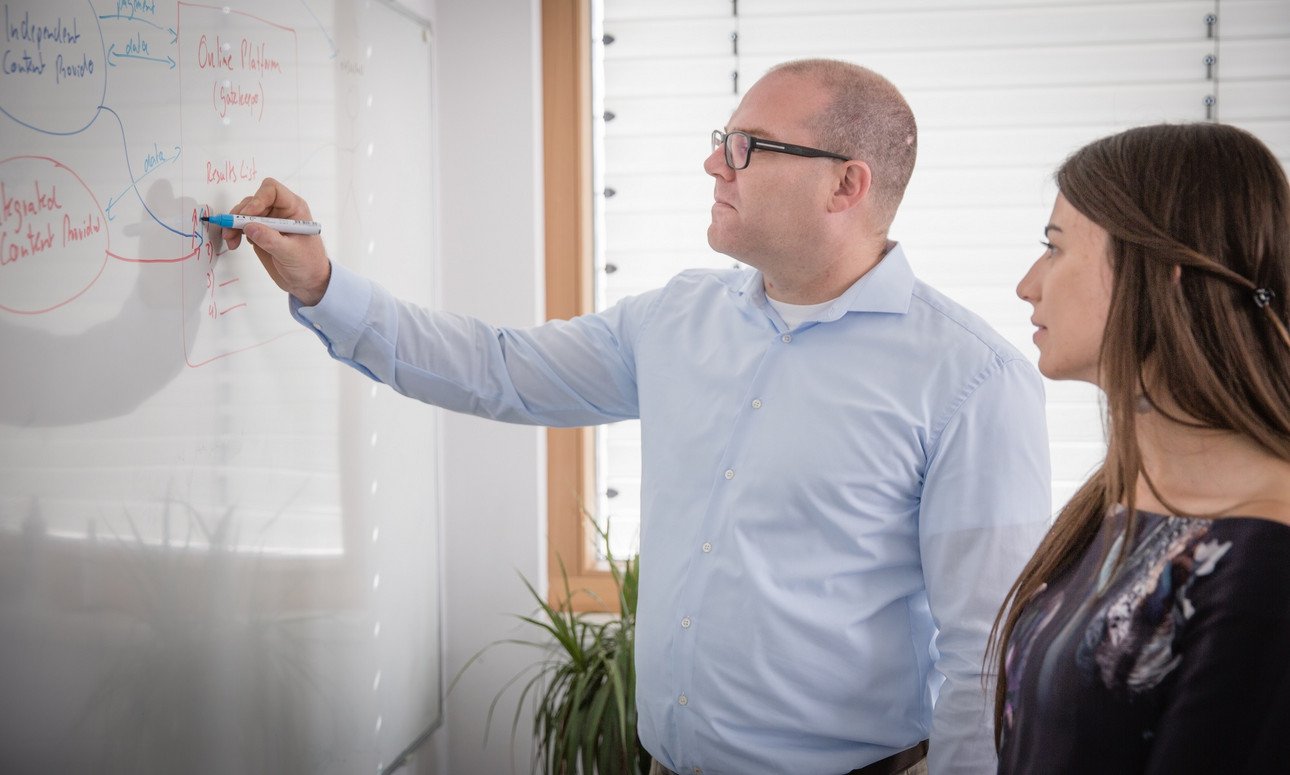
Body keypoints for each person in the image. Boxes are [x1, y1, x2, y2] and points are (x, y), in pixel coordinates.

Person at [222, 59, 1051, 775]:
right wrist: (322, 283)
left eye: (747, 146)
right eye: (722, 139)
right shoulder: (677, 320)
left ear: (846, 184)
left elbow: (990, 657)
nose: (714, 163)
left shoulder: (972, 381)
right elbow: (496, 368)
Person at [995, 122, 1290, 773]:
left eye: (1054, 248)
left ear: (1161, 275)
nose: (1027, 284)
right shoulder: (1127, 498)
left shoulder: (1264, 560)